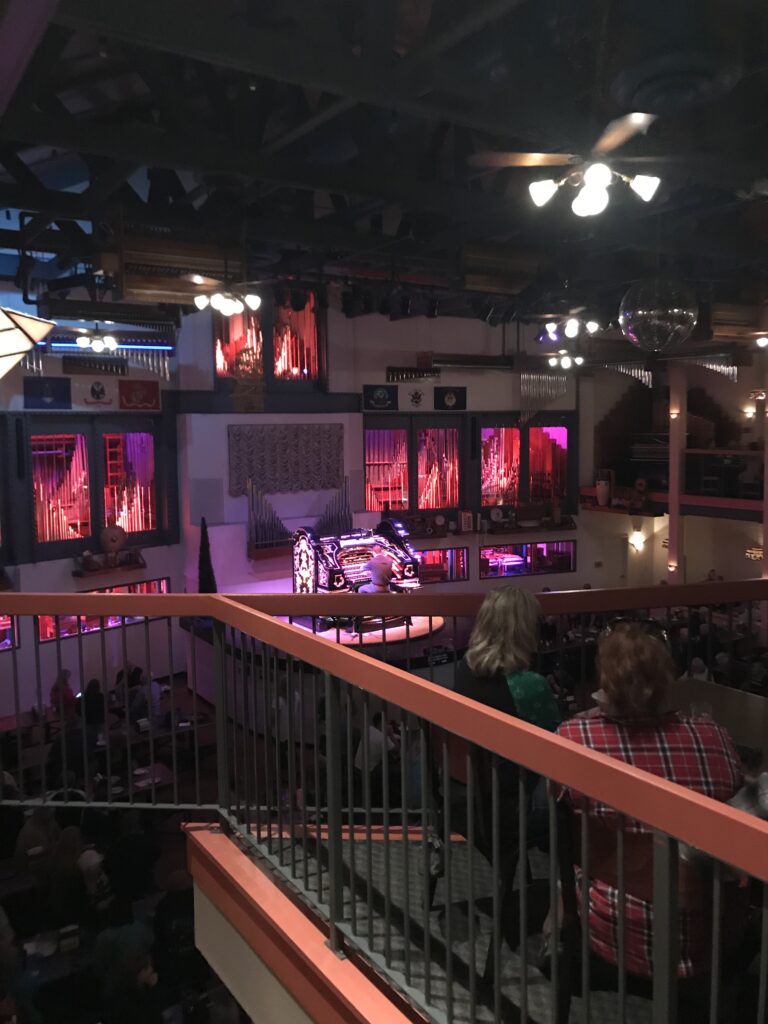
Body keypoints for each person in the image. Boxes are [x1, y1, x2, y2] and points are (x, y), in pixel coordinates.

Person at [557, 619, 742, 981]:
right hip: (709, 935)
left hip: (608, 927)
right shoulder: (713, 739)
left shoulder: (574, 739)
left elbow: (554, 802)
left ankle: (557, 941)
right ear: (668, 678)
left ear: (603, 682)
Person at [454, 586, 561, 731]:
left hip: (476, 751)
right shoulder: (530, 684)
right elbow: (555, 737)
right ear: (525, 629)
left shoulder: (464, 666)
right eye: (537, 622)